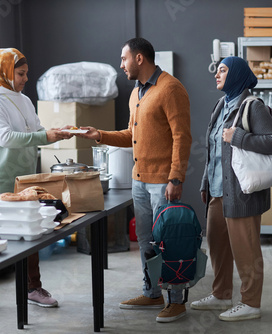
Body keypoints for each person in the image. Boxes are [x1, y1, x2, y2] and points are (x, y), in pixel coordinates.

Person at [76, 37, 192, 323]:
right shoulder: (136, 93)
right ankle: (152, 293)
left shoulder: (170, 88)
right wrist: (99, 134)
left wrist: (175, 178)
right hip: (139, 182)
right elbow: (131, 135)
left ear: (139, 59)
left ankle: (176, 301)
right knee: (146, 242)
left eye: (123, 58)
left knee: (169, 242)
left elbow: (182, 137)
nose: (121, 64)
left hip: (162, 182)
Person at [0, 48, 72, 314]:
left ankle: (33, 288)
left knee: (31, 234)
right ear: (5, 72)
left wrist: (56, 132)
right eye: (20, 73)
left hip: (24, 180)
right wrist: (45, 137)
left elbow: (35, 130)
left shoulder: (23, 100)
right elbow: (6, 137)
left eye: (26, 73)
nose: (25, 78)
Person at [190, 56, 272, 321]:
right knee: (217, 245)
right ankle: (221, 295)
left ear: (237, 74)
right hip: (217, 190)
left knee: (246, 249)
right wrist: (206, 181)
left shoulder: (252, 106)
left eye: (223, 70)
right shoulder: (221, 105)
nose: (217, 75)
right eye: (217, 71)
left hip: (242, 192)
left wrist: (237, 136)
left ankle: (251, 303)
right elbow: (213, 150)